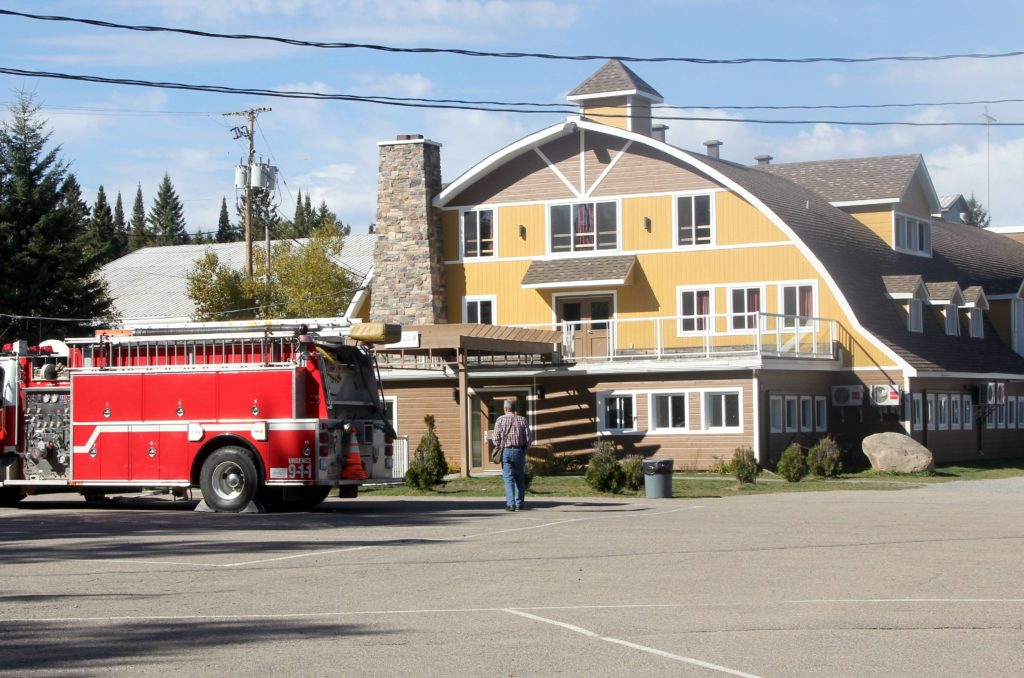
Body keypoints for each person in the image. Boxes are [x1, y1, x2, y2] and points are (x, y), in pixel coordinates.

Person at [491, 399, 531, 511]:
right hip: (519, 451)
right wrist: (524, 448)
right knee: (519, 478)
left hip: (506, 451)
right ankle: (519, 503)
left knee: (508, 478)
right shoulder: (523, 420)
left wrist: (500, 445)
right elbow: (528, 439)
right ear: (515, 408)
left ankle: (511, 504)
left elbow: (495, 439)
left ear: (505, 409)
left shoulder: (500, 420)